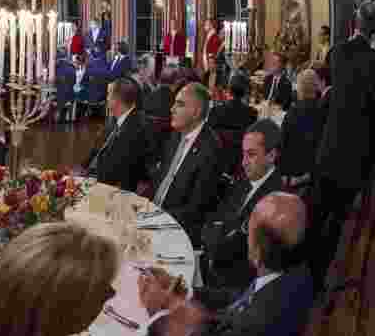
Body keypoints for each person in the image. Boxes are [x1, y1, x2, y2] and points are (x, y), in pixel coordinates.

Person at [136, 193, 314, 336]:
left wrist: (160, 308)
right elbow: (239, 298)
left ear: (257, 253)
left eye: (247, 228)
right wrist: (183, 291)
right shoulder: (292, 276)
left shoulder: (253, 328)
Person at [311, 1, 375, 296]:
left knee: (316, 212)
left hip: (328, 147)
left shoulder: (337, 52)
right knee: (336, 220)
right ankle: (319, 277)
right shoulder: (374, 62)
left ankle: (301, 272)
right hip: (356, 156)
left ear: (355, 22)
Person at [201, 120, 283, 290]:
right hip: (212, 260)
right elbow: (219, 214)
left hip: (231, 284)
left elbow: (242, 251)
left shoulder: (275, 200)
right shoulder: (244, 180)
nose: (243, 162)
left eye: (251, 154)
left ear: (271, 156)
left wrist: (212, 244)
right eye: (243, 154)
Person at [150, 82, 224, 243]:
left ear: (196, 112)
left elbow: (195, 209)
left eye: (180, 104)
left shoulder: (211, 150)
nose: (172, 109)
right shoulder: (176, 135)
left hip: (176, 230)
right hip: (153, 213)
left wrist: (153, 218)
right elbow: (161, 178)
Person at [83, 78, 153, 193]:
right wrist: (84, 168)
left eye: (108, 94)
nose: (106, 98)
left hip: (115, 190)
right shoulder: (116, 119)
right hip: (98, 176)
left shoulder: (135, 128)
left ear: (116, 100)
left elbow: (120, 172)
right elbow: (98, 149)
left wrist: (89, 180)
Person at [279, 69, 324, 192]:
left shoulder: (292, 113)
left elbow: (282, 144)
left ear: (299, 88)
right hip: (315, 172)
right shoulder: (324, 111)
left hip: (293, 173)